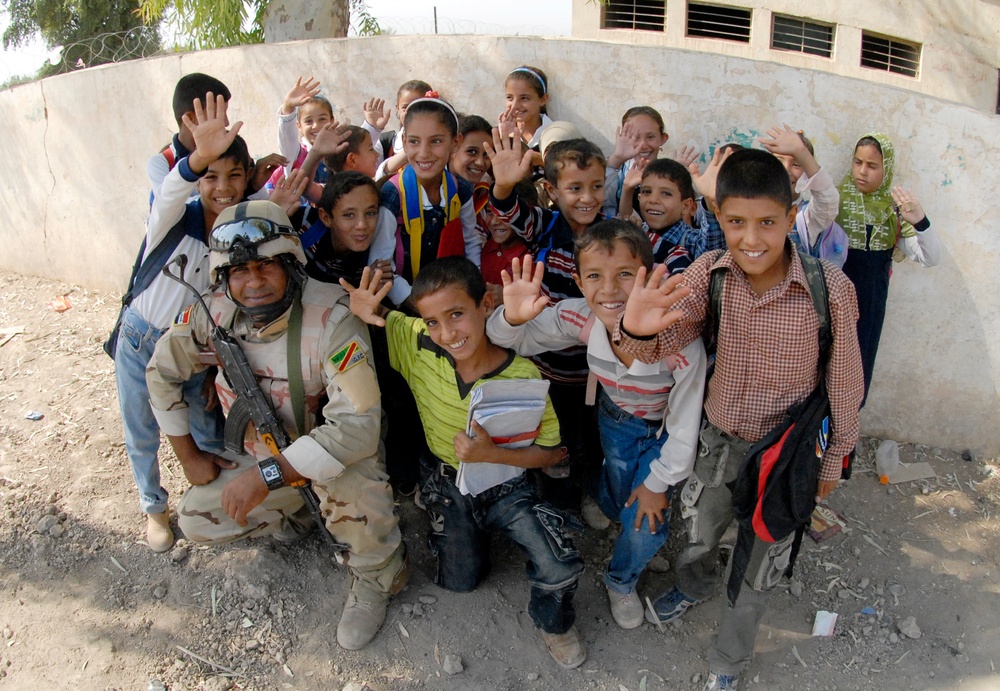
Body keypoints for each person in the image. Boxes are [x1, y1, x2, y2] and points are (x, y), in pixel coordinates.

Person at [614, 149, 864, 690]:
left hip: (787, 454)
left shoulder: (831, 290)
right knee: (701, 532)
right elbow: (664, 343)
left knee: (757, 565)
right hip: (720, 441)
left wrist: (832, 463)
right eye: (736, 222)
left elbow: (845, 383)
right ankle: (695, 584)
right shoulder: (710, 274)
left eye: (767, 222)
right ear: (718, 214)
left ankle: (729, 660)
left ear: (791, 213)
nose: (752, 239)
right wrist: (636, 328)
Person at [145, 200, 408, 651]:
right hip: (264, 457)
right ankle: (300, 512)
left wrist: (265, 476)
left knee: (353, 483)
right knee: (194, 519)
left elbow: (358, 428)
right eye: (240, 272)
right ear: (224, 278)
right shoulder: (214, 313)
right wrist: (187, 456)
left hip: (332, 460)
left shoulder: (333, 318)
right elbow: (161, 370)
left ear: (290, 263)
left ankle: (379, 575)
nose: (254, 283)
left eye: (267, 266)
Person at [340, 256, 587, 669]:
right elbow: (389, 319)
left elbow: (555, 454)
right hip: (447, 483)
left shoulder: (523, 376)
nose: (447, 333)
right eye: (433, 321)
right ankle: (456, 525)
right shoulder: (418, 343)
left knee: (557, 565)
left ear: (486, 303)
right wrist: (368, 312)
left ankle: (555, 624)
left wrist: (493, 454)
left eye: (457, 314)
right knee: (461, 581)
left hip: (509, 484)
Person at [487, 220, 706, 630]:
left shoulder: (678, 339)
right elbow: (514, 339)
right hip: (613, 421)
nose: (608, 289)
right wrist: (511, 318)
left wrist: (659, 481)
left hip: (661, 433)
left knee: (647, 515)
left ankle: (621, 579)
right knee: (619, 492)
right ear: (578, 281)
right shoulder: (580, 317)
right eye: (594, 276)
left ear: (649, 273)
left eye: (625, 274)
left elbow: (685, 425)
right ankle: (615, 513)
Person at [118, 94, 244, 553]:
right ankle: (154, 508)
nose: (223, 187)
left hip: (193, 351)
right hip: (141, 339)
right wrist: (196, 158)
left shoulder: (236, 235)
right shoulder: (173, 215)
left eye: (234, 176)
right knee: (142, 431)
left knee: (207, 430)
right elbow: (172, 187)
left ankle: (205, 504)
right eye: (211, 176)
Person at [486, 131, 607, 515]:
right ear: (552, 191)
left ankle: (585, 491)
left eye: (596, 186)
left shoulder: (612, 235)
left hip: (594, 370)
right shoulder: (547, 226)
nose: (587, 197)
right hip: (547, 367)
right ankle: (559, 503)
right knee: (554, 438)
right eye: (575, 188)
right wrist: (503, 187)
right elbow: (509, 212)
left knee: (589, 438)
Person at [836, 132, 941, 402]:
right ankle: (806, 438)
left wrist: (920, 222)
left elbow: (930, 258)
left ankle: (843, 438)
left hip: (869, 303)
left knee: (858, 367)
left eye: (872, 166)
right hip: (831, 299)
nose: (862, 171)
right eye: (857, 162)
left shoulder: (894, 212)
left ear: (887, 168)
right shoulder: (833, 202)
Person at [372, 95, 481, 309]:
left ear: (455, 142)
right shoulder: (393, 196)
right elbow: (381, 264)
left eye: (436, 141)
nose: (424, 153)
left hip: (450, 298)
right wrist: (412, 301)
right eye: (414, 141)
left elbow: (471, 242)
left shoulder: (460, 191)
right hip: (405, 305)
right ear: (404, 142)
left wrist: (474, 287)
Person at [758, 124, 844, 267]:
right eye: (779, 161)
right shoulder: (752, 207)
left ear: (807, 173)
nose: (786, 169)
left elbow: (828, 200)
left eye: (797, 164)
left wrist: (801, 152)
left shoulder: (807, 218)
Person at [146, 72, 230, 204]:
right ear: (190, 118)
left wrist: (255, 185)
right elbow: (169, 206)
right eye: (217, 114)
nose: (226, 122)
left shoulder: (228, 151)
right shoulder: (162, 164)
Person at [602, 106, 670, 218]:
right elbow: (597, 197)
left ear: (662, 138)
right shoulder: (618, 171)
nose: (642, 145)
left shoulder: (669, 172)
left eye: (650, 137)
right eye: (635, 137)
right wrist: (617, 158)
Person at [273, 76, 335, 186]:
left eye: (322, 119)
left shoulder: (338, 150)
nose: (315, 126)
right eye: (308, 121)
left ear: (332, 120)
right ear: (299, 126)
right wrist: (288, 108)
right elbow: (287, 137)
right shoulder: (295, 153)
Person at [373, 79, 433, 179]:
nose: (411, 112)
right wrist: (372, 129)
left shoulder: (441, 142)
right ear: (398, 109)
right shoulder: (386, 142)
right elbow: (369, 172)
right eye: (405, 107)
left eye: (417, 106)